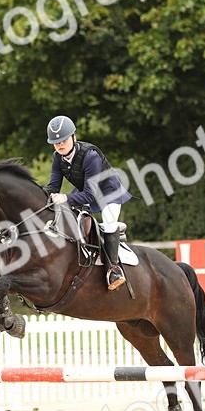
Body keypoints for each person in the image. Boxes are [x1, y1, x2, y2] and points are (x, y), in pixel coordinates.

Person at [43, 114, 133, 291]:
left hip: (109, 192)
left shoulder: (90, 156)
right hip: (86, 190)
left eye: (63, 140)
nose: (60, 145)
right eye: (56, 142)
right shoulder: (57, 157)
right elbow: (53, 186)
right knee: (70, 218)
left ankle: (113, 270)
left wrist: (66, 198)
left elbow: (91, 196)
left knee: (108, 221)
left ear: (73, 137)